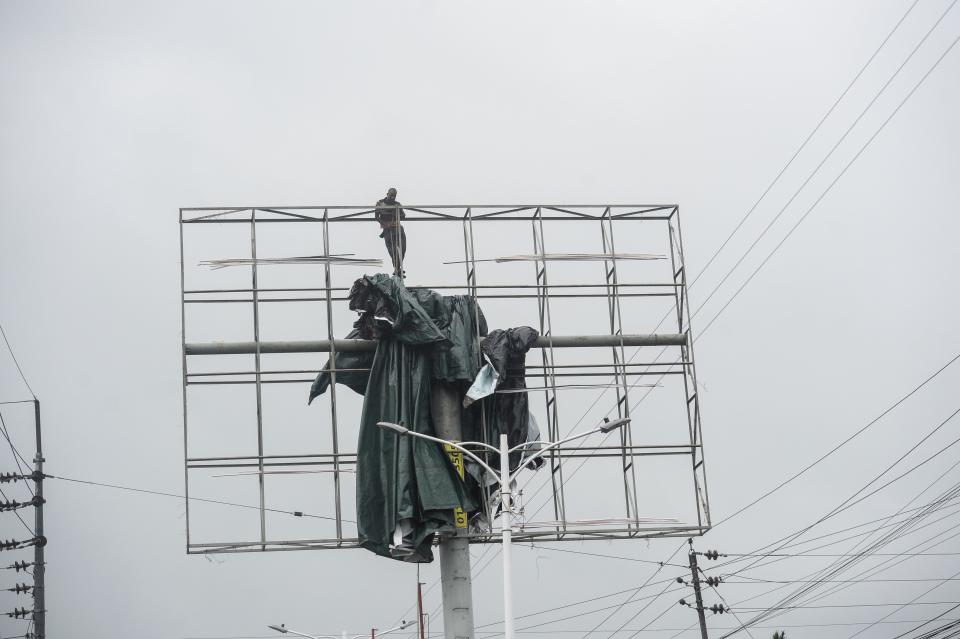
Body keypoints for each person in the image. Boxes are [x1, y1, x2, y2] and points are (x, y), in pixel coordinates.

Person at [375, 188, 406, 277]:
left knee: (403, 249)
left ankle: (398, 268)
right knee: (393, 251)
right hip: (388, 230)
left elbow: (403, 216)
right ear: (387, 194)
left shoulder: (397, 204)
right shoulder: (380, 203)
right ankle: (397, 269)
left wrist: (396, 214)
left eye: (394, 196)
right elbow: (376, 216)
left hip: (398, 228)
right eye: (391, 195)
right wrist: (384, 223)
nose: (392, 197)